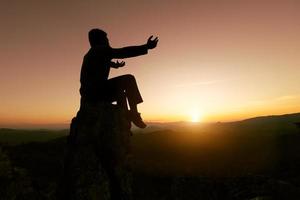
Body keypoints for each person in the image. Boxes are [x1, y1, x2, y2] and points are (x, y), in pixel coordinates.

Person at [80, 28, 158, 128]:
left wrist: (114, 65)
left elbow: (100, 63)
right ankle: (134, 114)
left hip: (90, 95)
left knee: (120, 93)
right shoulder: (100, 49)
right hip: (97, 92)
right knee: (129, 79)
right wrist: (146, 46)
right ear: (100, 40)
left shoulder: (91, 54)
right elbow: (124, 52)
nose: (108, 41)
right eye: (106, 38)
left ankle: (124, 120)